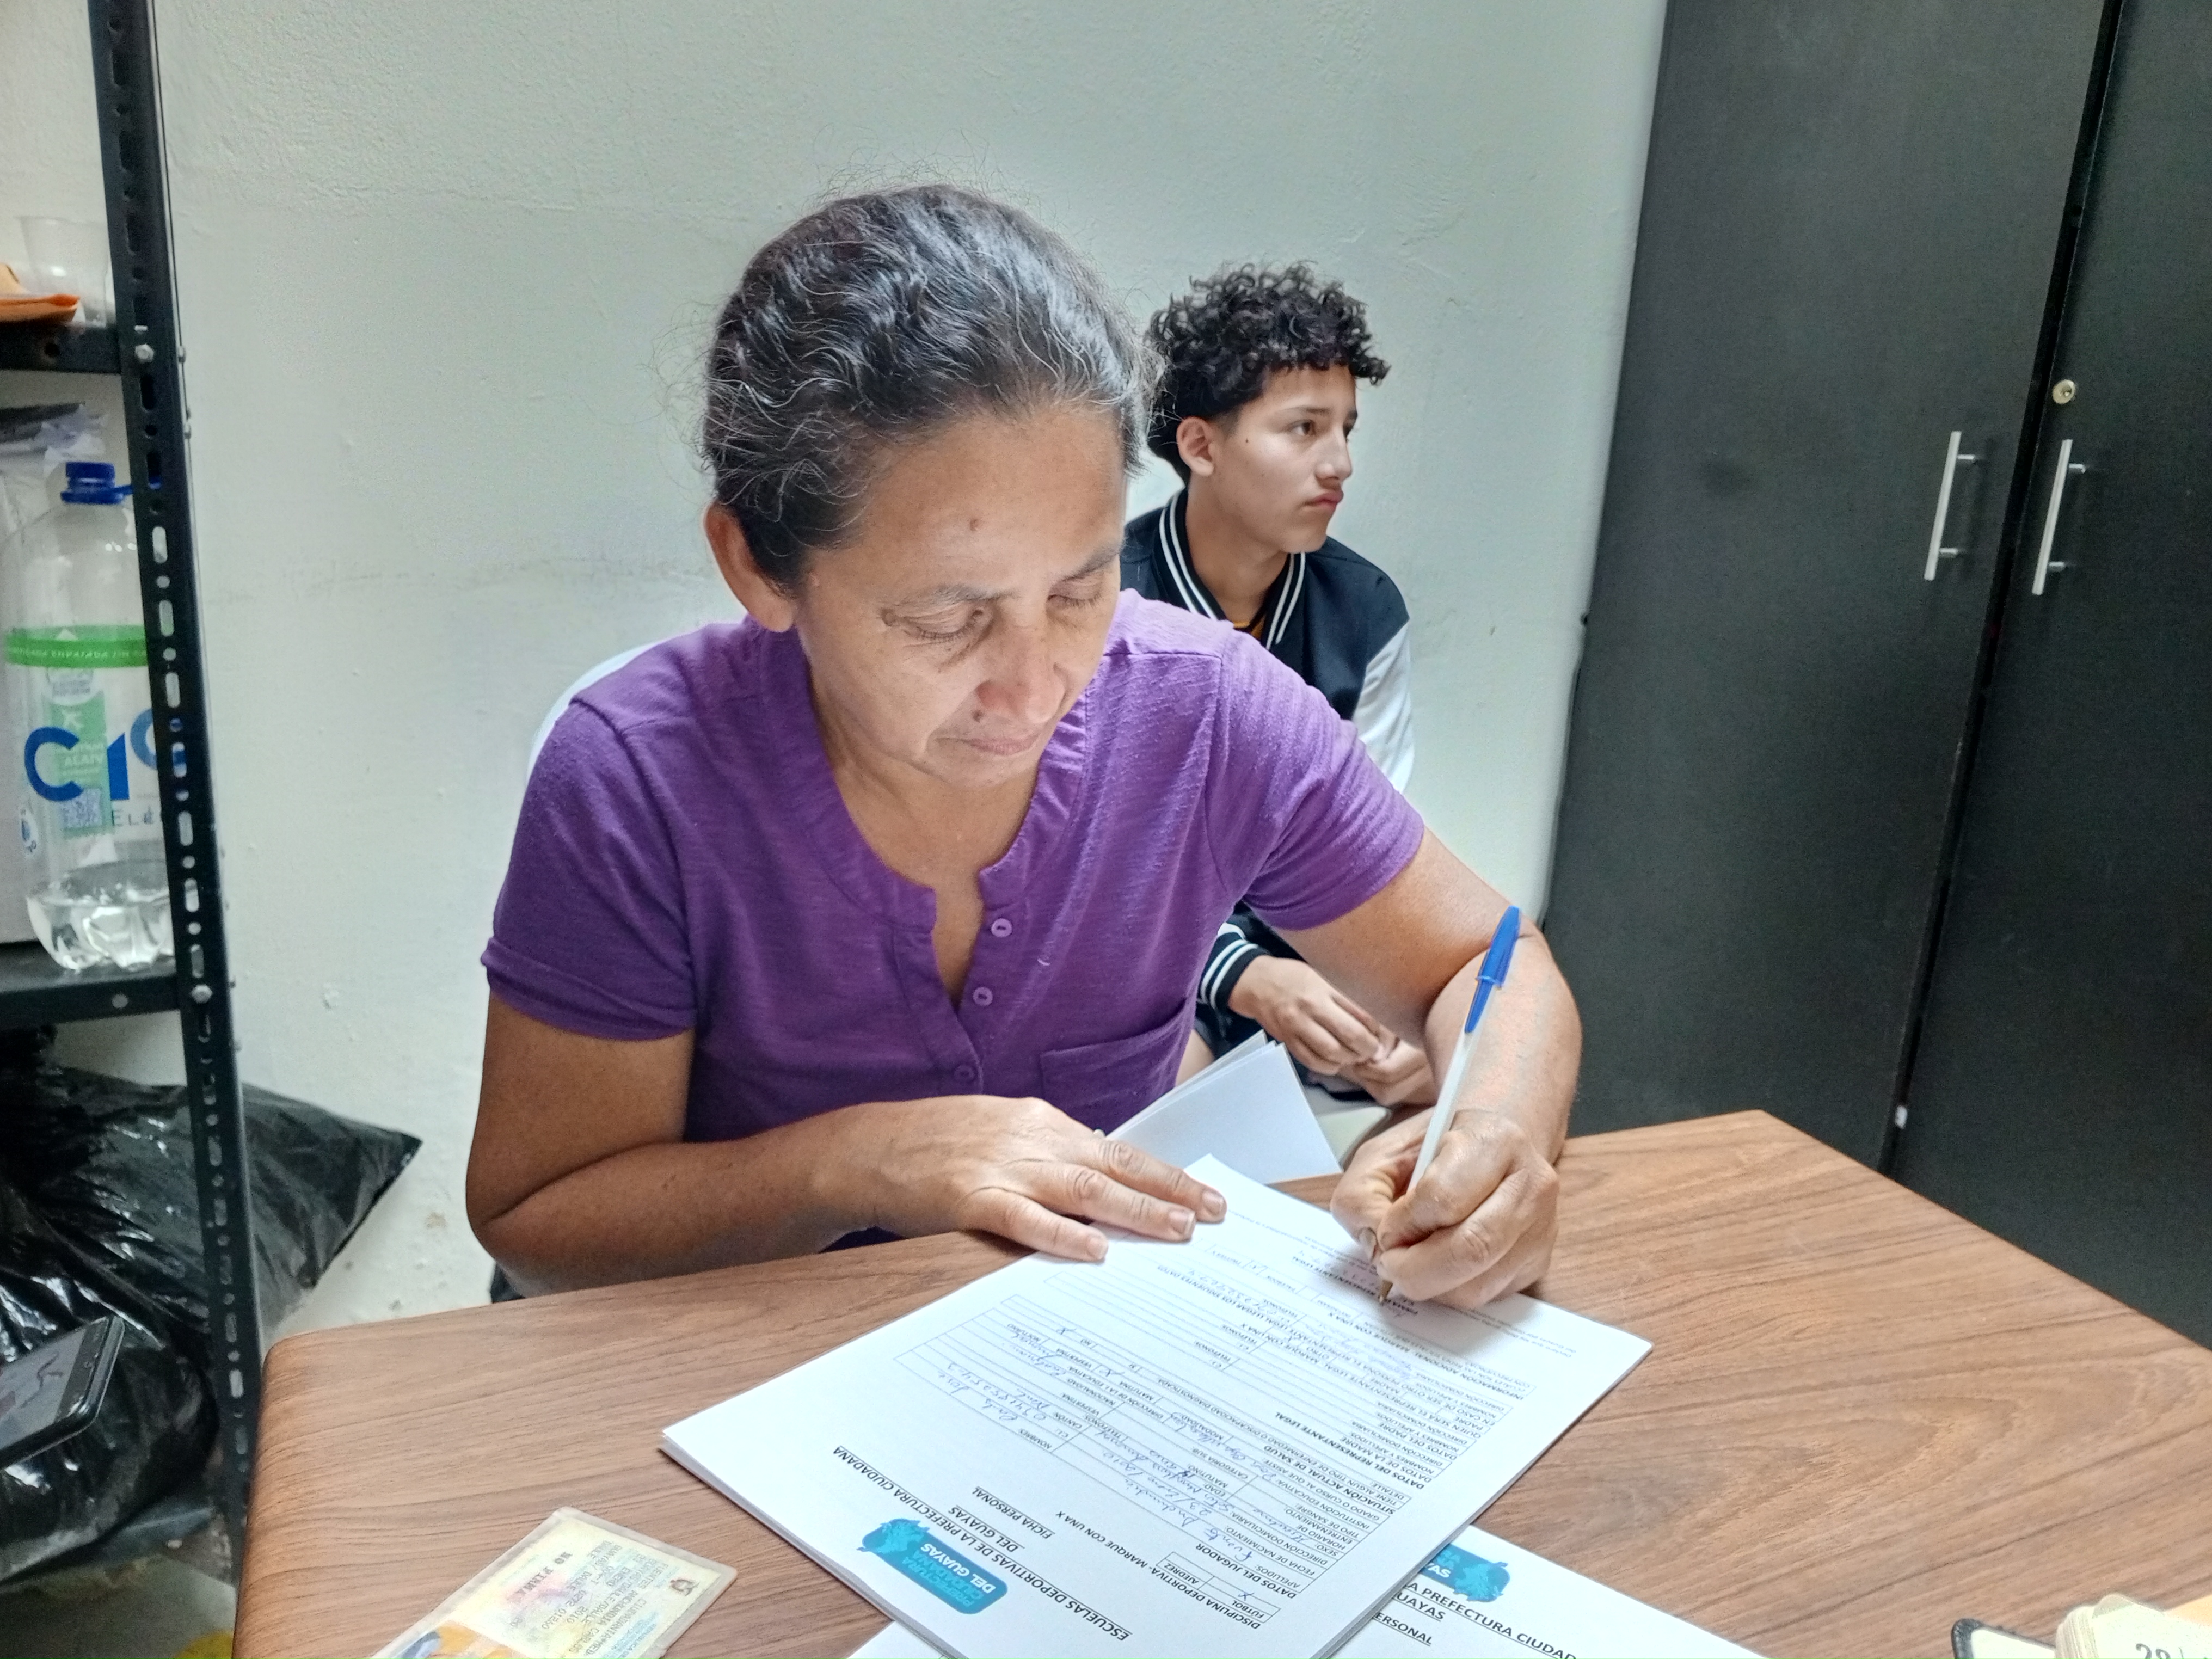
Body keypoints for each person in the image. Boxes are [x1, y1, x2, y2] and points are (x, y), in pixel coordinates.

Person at [465, 186, 1576, 1313]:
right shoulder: (639, 778)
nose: (1037, 686)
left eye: (1081, 590)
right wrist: (857, 1162)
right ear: (757, 564)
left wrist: (1489, 1135)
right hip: (720, 1362)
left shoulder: (1205, 711)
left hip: (1063, 1357)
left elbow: (1484, 964)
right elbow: (544, 1222)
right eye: (947, 619)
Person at [1122, 265, 1427, 1103]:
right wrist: (1242, 976)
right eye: (1304, 429)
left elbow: (1367, 849)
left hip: (1306, 957)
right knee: (1176, 1090)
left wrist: (1403, 1008)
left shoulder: (1365, 610)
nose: (1341, 464)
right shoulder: (1099, 599)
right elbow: (1082, 874)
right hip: (1138, 972)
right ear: (1201, 447)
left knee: (1445, 1062)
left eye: (1346, 430)